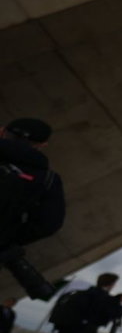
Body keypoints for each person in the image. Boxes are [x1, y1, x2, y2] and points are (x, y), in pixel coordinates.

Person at [0, 118, 67, 299]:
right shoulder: (48, 180)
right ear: (42, 145)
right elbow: (49, 224)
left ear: (3, 131)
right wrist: (7, 236)